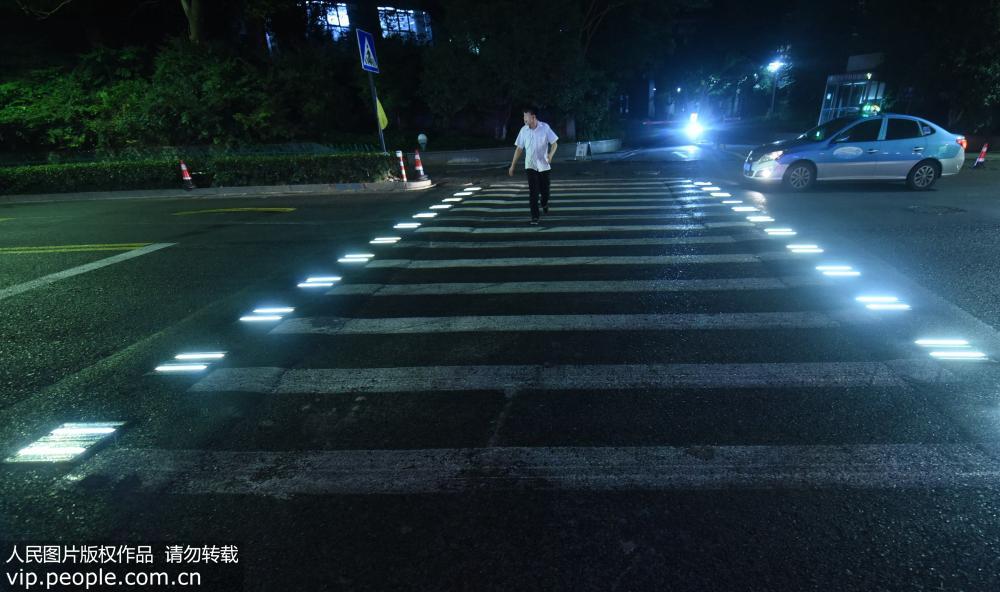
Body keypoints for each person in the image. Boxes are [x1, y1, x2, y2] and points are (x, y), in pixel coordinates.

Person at [508, 106, 559, 225]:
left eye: (526, 116)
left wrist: (550, 155)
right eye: (523, 116)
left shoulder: (545, 128)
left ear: (533, 117)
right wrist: (512, 165)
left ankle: (544, 203)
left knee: (545, 191)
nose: (524, 118)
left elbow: (555, 143)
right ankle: (535, 216)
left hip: (544, 166)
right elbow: (519, 149)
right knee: (533, 192)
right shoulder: (523, 130)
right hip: (530, 166)